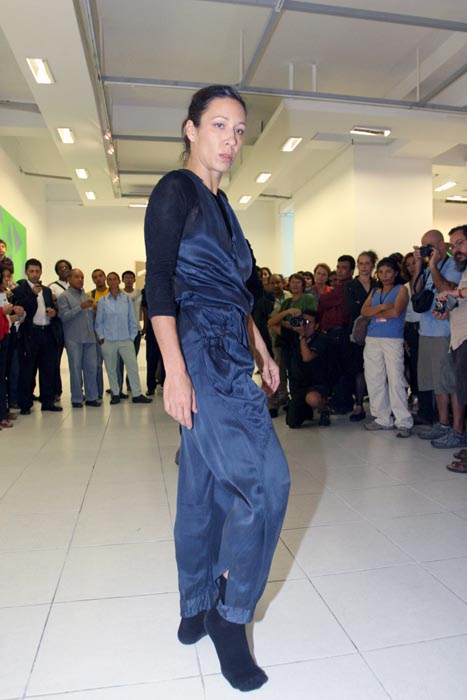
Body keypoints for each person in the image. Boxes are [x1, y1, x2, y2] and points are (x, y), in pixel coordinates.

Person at [144, 85, 290, 692]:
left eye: (239, 130)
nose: (231, 140)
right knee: (266, 483)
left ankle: (196, 604)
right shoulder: (174, 191)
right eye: (219, 125)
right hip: (200, 349)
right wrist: (176, 372)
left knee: (202, 485)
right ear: (191, 129)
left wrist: (262, 349)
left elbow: (239, 293)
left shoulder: (224, 206)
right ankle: (230, 617)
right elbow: (158, 285)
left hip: (231, 344)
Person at [413, 230, 464, 449]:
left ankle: (456, 430)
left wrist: (433, 265)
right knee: (436, 383)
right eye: (424, 246)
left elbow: (446, 289)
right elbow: (416, 292)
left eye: (430, 246)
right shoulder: (427, 268)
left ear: (442, 245)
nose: (427, 251)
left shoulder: (454, 265)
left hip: (444, 332)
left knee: (450, 383)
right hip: (427, 330)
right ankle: (442, 424)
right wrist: (419, 265)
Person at [362, 257, 413, 437]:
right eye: (381, 271)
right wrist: (383, 307)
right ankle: (382, 418)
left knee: (396, 379)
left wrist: (375, 311)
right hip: (372, 338)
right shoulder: (375, 291)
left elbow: (396, 312)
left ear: (396, 273)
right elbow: (364, 311)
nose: (384, 275)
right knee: (374, 378)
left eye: (388, 271)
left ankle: (403, 421)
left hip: (392, 339)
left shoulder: (401, 289)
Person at [433, 225, 467, 471]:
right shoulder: (464, 270)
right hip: (460, 338)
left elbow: (461, 293)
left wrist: (455, 292)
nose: (456, 249)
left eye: (461, 243)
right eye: (453, 245)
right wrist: (448, 306)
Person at [12, 258, 62, 414]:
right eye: (31, 271)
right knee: (28, 370)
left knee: (48, 369)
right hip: (30, 334)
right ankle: (25, 404)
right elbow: (20, 309)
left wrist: (53, 312)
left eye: (37, 271)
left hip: (47, 332)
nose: (34, 274)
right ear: (26, 272)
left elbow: (52, 308)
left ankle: (47, 401)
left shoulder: (46, 290)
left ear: (41, 272)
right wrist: (32, 294)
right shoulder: (20, 290)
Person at [95, 272, 151, 405]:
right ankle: (115, 393)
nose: (112, 281)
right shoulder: (103, 301)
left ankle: (136, 394)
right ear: (108, 282)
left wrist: (132, 337)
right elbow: (99, 322)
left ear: (119, 281)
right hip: (108, 340)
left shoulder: (126, 300)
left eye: (115, 279)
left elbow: (132, 319)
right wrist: (101, 338)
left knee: (132, 367)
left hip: (126, 339)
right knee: (111, 368)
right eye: (110, 279)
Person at [57, 269, 100, 408]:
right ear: (69, 279)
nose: (80, 280)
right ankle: (76, 398)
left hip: (89, 338)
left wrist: (94, 310)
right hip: (73, 339)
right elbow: (63, 316)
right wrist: (80, 307)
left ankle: (92, 397)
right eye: (77, 277)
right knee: (75, 369)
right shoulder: (64, 296)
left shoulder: (86, 296)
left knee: (91, 368)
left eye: (82, 277)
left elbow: (90, 318)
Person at [318, 255, 355, 414]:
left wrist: (324, 297)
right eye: (338, 267)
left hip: (339, 333)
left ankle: (341, 404)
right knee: (335, 370)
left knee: (340, 371)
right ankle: (339, 402)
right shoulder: (340, 286)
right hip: (333, 333)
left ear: (351, 271)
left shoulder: (345, 287)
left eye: (344, 268)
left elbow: (323, 301)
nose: (339, 270)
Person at [345, 250, 378, 421]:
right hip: (357, 333)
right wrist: (373, 310)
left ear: (373, 265)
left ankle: (379, 406)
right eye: (361, 263)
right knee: (358, 369)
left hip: (377, 331)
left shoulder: (378, 285)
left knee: (377, 369)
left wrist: (366, 309)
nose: (364, 267)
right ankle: (359, 405)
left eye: (367, 263)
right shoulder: (350, 286)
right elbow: (352, 309)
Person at [287, 309, 331, 428]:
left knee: (312, 399)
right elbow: (271, 324)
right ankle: (306, 411)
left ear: (316, 326)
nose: (305, 325)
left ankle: (324, 407)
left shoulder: (321, 339)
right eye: (303, 321)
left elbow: (307, 357)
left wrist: (302, 336)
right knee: (293, 423)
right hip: (299, 386)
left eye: (309, 322)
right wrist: (287, 313)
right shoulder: (293, 335)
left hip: (317, 384)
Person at [267, 274, 291, 417]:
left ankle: (285, 398)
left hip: (289, 337)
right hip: (272, 338)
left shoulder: (289, 296)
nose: (276, 285)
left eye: (278, 282)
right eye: (272, 283)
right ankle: (273, 402)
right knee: (275, 369)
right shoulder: (265, 299)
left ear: (283, 283)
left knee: (286, 368)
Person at [401, 252, 422, 412]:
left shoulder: (427, 280)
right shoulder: (404, 287)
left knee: (423, 366)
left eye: (413, 262)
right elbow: (402, 313)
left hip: (425, 327)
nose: (411, 267)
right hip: (410, 328)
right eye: (407, 264)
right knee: (413, 365)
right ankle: (415, 395)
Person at [49, 259, 71, 402]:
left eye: (66, 267)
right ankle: (55, 391)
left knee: (76, 361)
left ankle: (79, 391)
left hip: (73, 326)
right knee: (55, 361)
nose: (63, 269)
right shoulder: (52, 287)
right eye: (60, 268)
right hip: (58, 327)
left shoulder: (76, 285)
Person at [118, 270, 143, 392]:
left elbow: (144, 310)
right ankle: (118, 385)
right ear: (122, 280)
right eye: (126, 278)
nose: (128, 280)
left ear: (134, 279)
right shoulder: (119, 294)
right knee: (120, 360)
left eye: (131, 277)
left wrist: (145, 327)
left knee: (132, 359)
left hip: (136, 330)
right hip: (121, 331)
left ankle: (130, 383)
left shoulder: (139, 293)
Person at [87, 268, 109, 399]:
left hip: (112, 335)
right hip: (97, 335)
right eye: (95, 277)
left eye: (100, 276)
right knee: (97, 365)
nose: (98, 279)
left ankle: (116, 391)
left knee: (114, 366)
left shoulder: (112, 293)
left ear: (105, 277)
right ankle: (98, 392)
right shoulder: (89, 295)